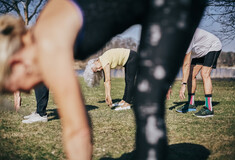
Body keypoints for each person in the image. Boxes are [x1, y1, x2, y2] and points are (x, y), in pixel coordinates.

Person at [0, 0, 206, 159]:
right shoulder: (43, 31)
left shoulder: (48, 42)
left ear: (17, 63)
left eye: (16, 87)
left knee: (148, 101)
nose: (25, 91)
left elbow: (77, 131)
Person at [177, 28, 222, 117]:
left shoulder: (187, 36)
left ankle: (209, 108)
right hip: (201, 50)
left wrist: (183, 85)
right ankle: (191, 104)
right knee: (191, 74)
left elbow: (186, 64)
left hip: (213, 46)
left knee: (204, 73)